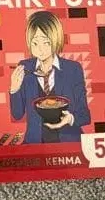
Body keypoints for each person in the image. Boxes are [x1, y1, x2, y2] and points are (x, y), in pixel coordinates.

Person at [9, 11, 90, 144]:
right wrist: (14, 90)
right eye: (35, 43)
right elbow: (17, 115)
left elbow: (84, 115)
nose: (40, 49)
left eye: (46, 43)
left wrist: (70, 119)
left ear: (55, 40)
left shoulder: (72, 69)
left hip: (69, 142)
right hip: (35, 143)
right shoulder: (25, 67)